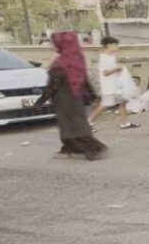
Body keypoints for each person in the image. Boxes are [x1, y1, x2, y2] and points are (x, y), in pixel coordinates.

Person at [34, 32, 107, 160]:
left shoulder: (60, 63)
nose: (53, 46)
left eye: (55, 43)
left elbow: (53, 85)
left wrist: (40, 101)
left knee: (72, 126)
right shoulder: (78, 58)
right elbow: (84, 79)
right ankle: (68, 149)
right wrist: (93, 95)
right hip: (77, 98)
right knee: (74, 124)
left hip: (64, 100)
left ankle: (93, 148)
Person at [88, 36, 140, 130]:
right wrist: (117, 69)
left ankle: (124, 123)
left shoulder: (111, 57)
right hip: (109, 86)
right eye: (115, 45)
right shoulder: (103, 57)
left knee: (122, 102)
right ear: (109, 45)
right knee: (105, 104)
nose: (117, 47)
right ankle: (89, 121)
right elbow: (105, 73)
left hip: (115, 85)